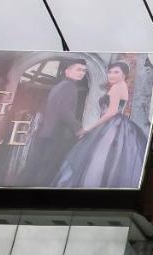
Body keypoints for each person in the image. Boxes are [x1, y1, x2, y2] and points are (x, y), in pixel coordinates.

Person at [56, 60, 148, 189]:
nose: (112, 75)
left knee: (99, 158)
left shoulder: (118, 86)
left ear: (124, 75)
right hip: (111, 124)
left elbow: (111, 112)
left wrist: (88, 129)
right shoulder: (120, 86)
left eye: (116, 72)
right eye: (110, 72)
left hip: (113, 125)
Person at [19, 60, 87, 186]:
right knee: (47, 171)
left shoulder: (59, 86)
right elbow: (64, 111)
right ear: (67, 71)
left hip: (46, 133)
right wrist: (79, 128)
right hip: (57, 134)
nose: (82, 73)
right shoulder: (70, 86)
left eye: (84, 70)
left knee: (34, 167)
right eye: (78, 69)